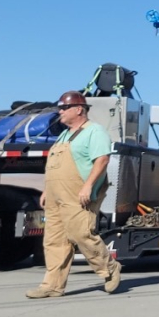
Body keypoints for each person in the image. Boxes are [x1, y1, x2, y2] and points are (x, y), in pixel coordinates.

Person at [26, 91, 121, 299]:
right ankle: (52, 285)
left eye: (64, 108)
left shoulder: (94, 132)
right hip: (55, 196)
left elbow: (102, 160)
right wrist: (46, 190)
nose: (60, 112)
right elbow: (55, 166)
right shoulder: (64, 134)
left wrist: (88, 186)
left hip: (78, 194)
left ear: (79, 109)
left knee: (81, 234)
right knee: (54, 241)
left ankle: (110, 268)